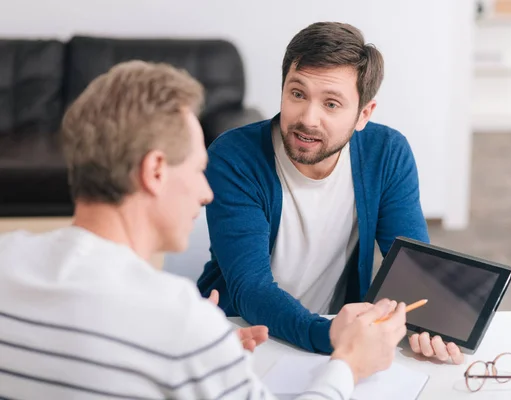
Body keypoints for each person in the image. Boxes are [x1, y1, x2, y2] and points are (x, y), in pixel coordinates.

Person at [0, 60, 410, 399]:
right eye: (198, 170)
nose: (206, 193)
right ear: (155, 171)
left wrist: (204, 356)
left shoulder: (7, 261)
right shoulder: (181, 324)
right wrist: (349, 365)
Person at [197, 21, 464, 365]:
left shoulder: (387, 153)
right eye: (297, 94)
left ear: (363, 114)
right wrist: (333, 338)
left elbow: (411, 270)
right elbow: (251, 288)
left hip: (332, 336)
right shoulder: (234, 157)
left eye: (332, 104)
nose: (308, 118)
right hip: (243, 335)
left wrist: (429, 327)